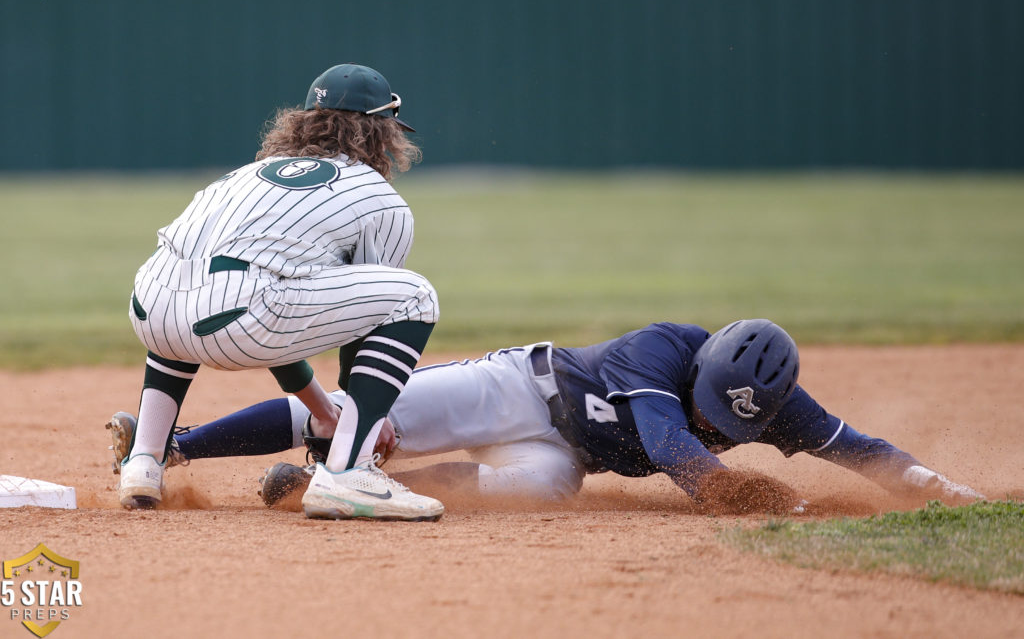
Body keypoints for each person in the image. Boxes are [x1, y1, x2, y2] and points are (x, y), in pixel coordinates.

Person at [108, 320, 985, 513]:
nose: (719, 426)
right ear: (702, 371)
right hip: (524, 387)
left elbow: (861, 449)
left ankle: (325, 485)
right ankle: (174, 444)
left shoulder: (780, 405)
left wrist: (940, 489)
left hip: (564, 449)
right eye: (713, 411)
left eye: (737, 423)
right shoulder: (661, 355)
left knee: (533, 487)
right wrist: (770, 498)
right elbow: (675, 448)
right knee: (357, 412)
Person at [118, 63, 444, 522]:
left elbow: (268, 305)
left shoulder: (245, 175)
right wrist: (357, 413)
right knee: (415, 295)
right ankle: (349, 472)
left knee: (195, 290)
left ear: (304, 121)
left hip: (149, 308)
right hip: (242, 316)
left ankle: (144, 462)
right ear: (382, 131)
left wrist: (323, 408)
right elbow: (364, 325)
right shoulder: (379, 197)